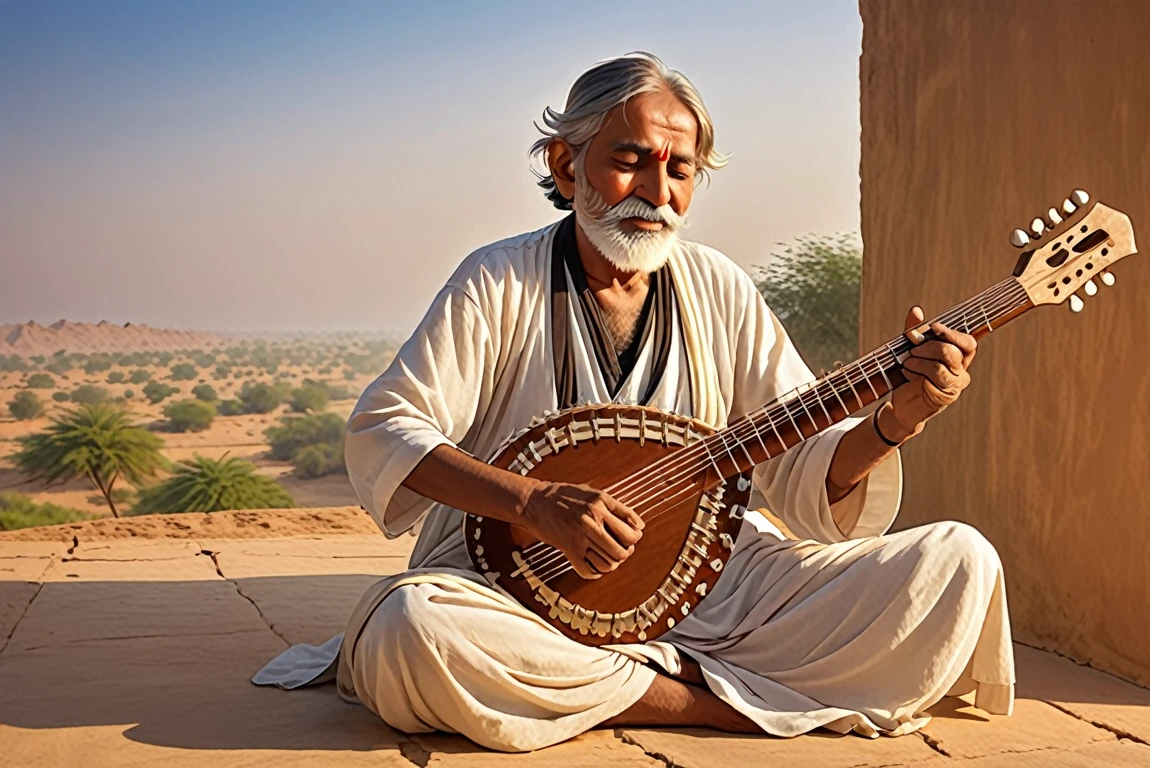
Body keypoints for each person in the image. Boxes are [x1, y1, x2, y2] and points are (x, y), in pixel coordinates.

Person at [254, 52, 1014, 754]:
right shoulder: (498, 280)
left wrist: (896, 419)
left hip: (712, 590)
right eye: (630, 161)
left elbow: (802, 466)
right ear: (565, 162)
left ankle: (611, 683)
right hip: (517, 592)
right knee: (409, 632)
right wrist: (533, 501)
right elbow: (386, 430)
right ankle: (706, 704)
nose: (657, 193)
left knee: (958, 563)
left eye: (680, 170)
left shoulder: (717, 286)